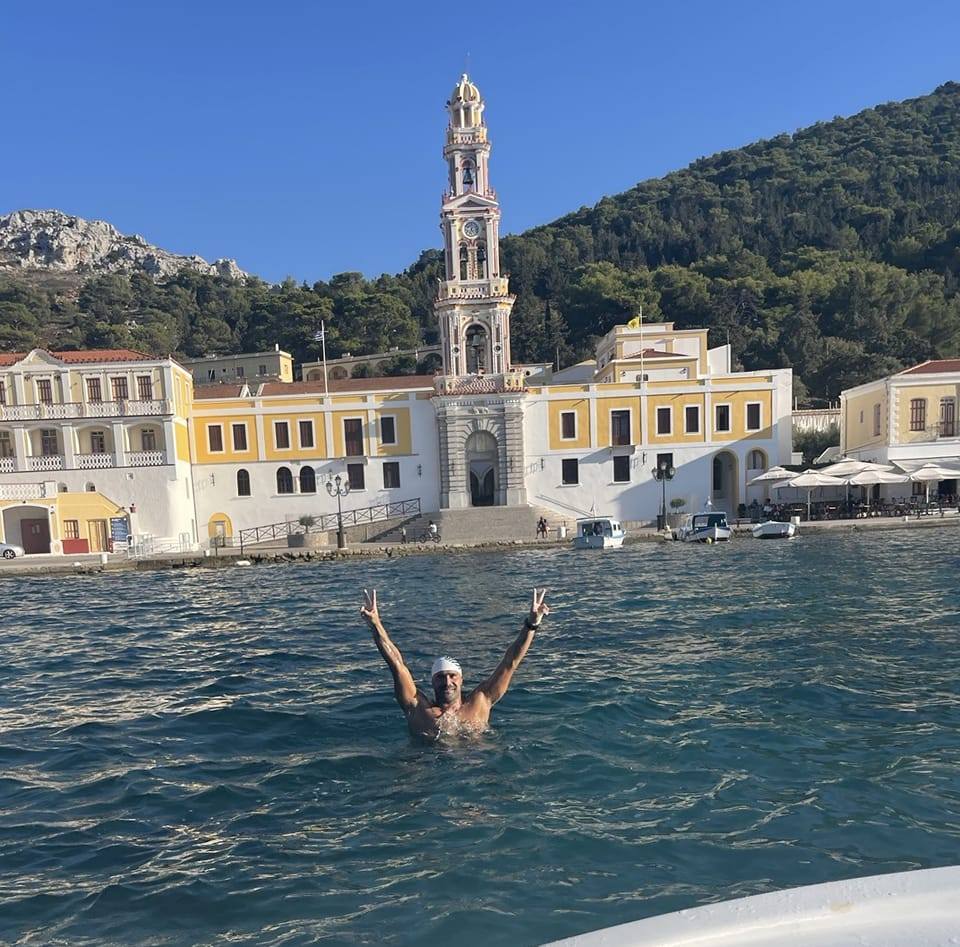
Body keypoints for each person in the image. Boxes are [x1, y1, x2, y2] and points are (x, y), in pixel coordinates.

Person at [360, 587, 550, 739]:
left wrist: (531, 625)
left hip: (477, 767)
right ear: (432, 682)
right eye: (440, 677)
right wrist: (376, 624)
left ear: (461, 679)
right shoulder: (418, 708)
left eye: (452, 676)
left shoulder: (481, 701)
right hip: (428, 765)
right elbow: (396, 664)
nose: (447, 682)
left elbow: (510, 663)